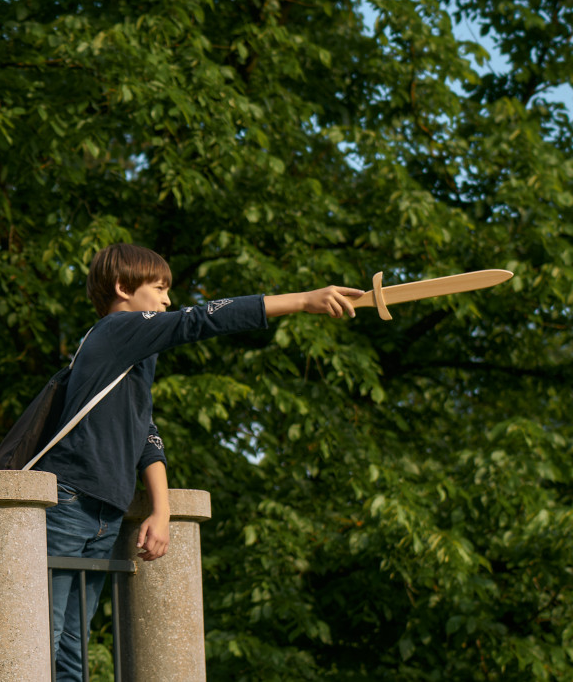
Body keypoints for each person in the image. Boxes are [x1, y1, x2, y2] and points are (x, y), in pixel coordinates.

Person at [35, 243, 362, 681]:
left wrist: (162, 509)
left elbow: (146, 433)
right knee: (42, 638)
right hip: (70, 502)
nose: (168, 300)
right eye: (159, 288)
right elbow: (200, 319)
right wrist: (303, 301)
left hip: (105, 511)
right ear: (122, 287)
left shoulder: (136, 355)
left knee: (73, 649)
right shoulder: (116, 331)